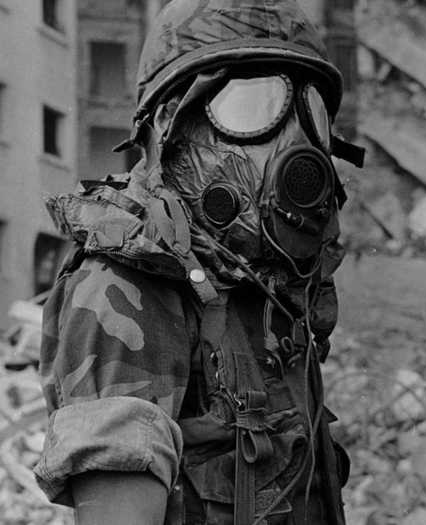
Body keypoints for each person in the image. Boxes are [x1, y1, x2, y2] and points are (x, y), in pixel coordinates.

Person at [33, 1, 365, 523]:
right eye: (253, 106)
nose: (294, 144)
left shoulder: (256, 287)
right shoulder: (128, 288)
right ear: (172, 126)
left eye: (312, 115)